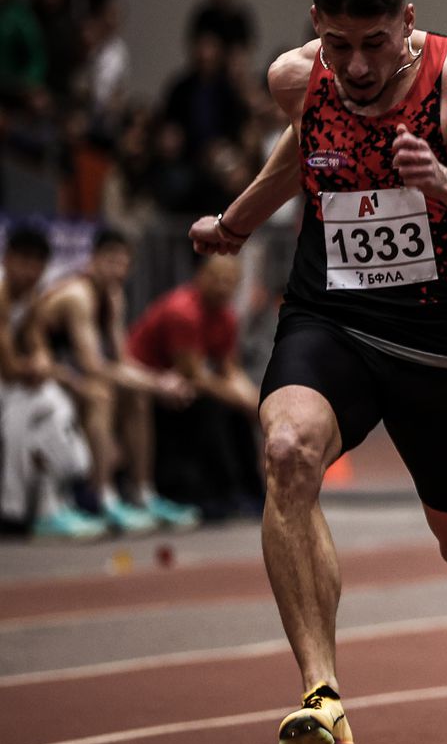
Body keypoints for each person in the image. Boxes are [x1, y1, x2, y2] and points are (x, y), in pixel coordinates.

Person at [187, 0, 447, 744]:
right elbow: (301, 146)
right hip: (334, 320)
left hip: (440, 344)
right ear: (317, 27)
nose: (355, 66)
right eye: (339, 44)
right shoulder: (299, 77)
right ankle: (322, 693)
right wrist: (237, 221)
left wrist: (445, 184)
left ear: (409, 24)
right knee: (286, 450)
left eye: (375, 44)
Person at [32, 227, 200, 534]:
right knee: (102, 392)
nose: (117, 270)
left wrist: (159, 381)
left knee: (136, 394)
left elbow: (121, 360)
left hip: (72, 374)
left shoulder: (113, 295)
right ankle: (103, 495)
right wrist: (158, 383)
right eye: (110, 261)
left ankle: (142, 491)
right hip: (45, 374)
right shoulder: (78, 296)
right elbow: (92, 366)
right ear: (93, 259)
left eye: (124, 263)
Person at [126, 256, 263, 521]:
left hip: (181, 384)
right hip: (149, 386)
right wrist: (242, 401)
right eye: (217, 278)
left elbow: (229, 370)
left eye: (231, 280)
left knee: (241, 410)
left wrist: (256, 402)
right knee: (215, 406)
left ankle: (251, 491)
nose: (224, 286)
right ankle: (213, 493)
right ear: (200, 275)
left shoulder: (226, 316)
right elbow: (195, 376)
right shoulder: (183, 311)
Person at [0, 224, 101, 539]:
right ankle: (16, 506)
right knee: (25, 412)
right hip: (6, 379)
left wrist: (43, 361)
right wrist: (37, 370)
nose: (30, 272)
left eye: (37, 265)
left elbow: (34, 340)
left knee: (52, 404)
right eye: (23, 262)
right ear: (8, 259)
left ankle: (48, 505)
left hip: (13, 382)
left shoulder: (31, 294)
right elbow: (9, 367)